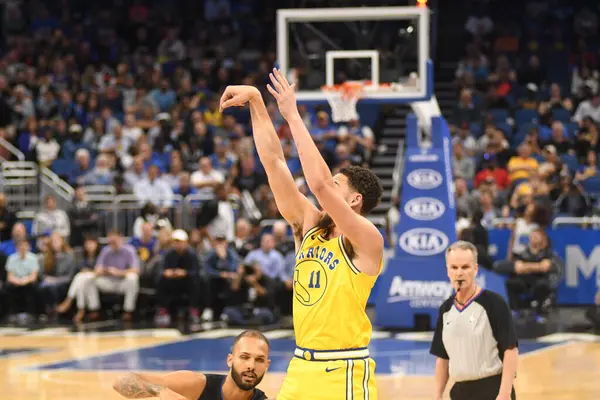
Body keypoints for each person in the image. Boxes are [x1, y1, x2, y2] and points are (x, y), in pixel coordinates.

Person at [219, 68, 383, 399]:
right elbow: (274, 163)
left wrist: (292, 114)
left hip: (344, 370)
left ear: (355, 200)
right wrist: (256, 102)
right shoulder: (310, 224)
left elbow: (319, 184)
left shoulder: (368, 239)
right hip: (301, 365)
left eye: (338, 185)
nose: (326, 191)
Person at [430, 241, 519, 400]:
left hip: (492, 390)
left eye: (465, 267)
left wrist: (504, 393)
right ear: (448, 271)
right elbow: (442, 358)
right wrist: (437, 395)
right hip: (459, 392)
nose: (459, 273)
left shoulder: (494, 303)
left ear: (475, 269)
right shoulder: (445, 309)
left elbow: (510, 350)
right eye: (454, 267)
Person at [112, 330, 270, 400]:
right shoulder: (197, 385)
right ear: (230, 360)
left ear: (267, 365)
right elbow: (120, 382)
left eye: (259, 360)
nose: (251, 366)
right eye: (244, 357)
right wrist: (160, 390)